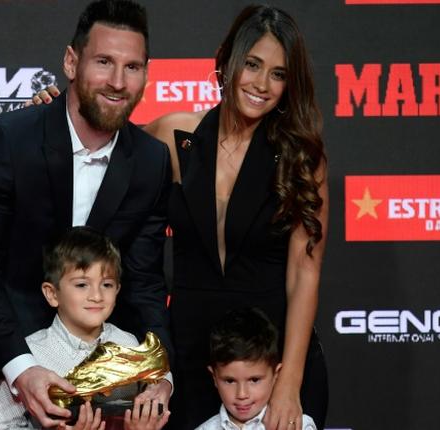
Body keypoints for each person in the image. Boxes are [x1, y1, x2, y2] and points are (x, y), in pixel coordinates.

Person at [33, 5, 329, 429]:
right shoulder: (173, 137)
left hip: (271, 364)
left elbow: (305, 275)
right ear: (226, 60)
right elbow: (98, 142)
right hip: (191, 362)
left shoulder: (301, 159)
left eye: (278, 74)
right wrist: (55, 111)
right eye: (252, 65)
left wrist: (289, 383)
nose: (262, 84)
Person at [0, 1, 173, 428]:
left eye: (132, 67)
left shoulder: (151, 161)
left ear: (146, 75)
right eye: (103, 62)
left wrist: (161, 373)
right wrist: (21, 369)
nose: (118, 82)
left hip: (93, 395)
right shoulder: (5, 142)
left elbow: (147, 283)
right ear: (70, 61)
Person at [0, 226, 171, 430]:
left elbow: (152, 398)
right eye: (81, 285)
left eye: (107, 285)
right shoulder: (29, 356)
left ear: (118, 289)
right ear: (52, 294)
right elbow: (2, 424)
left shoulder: (128, 344)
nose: (96, 295)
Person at [196, 307, 316, 430]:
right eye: (230, 381)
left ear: (276, 374)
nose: (242, 394)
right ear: (214, 377)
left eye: (254, 380)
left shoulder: (296, 425)